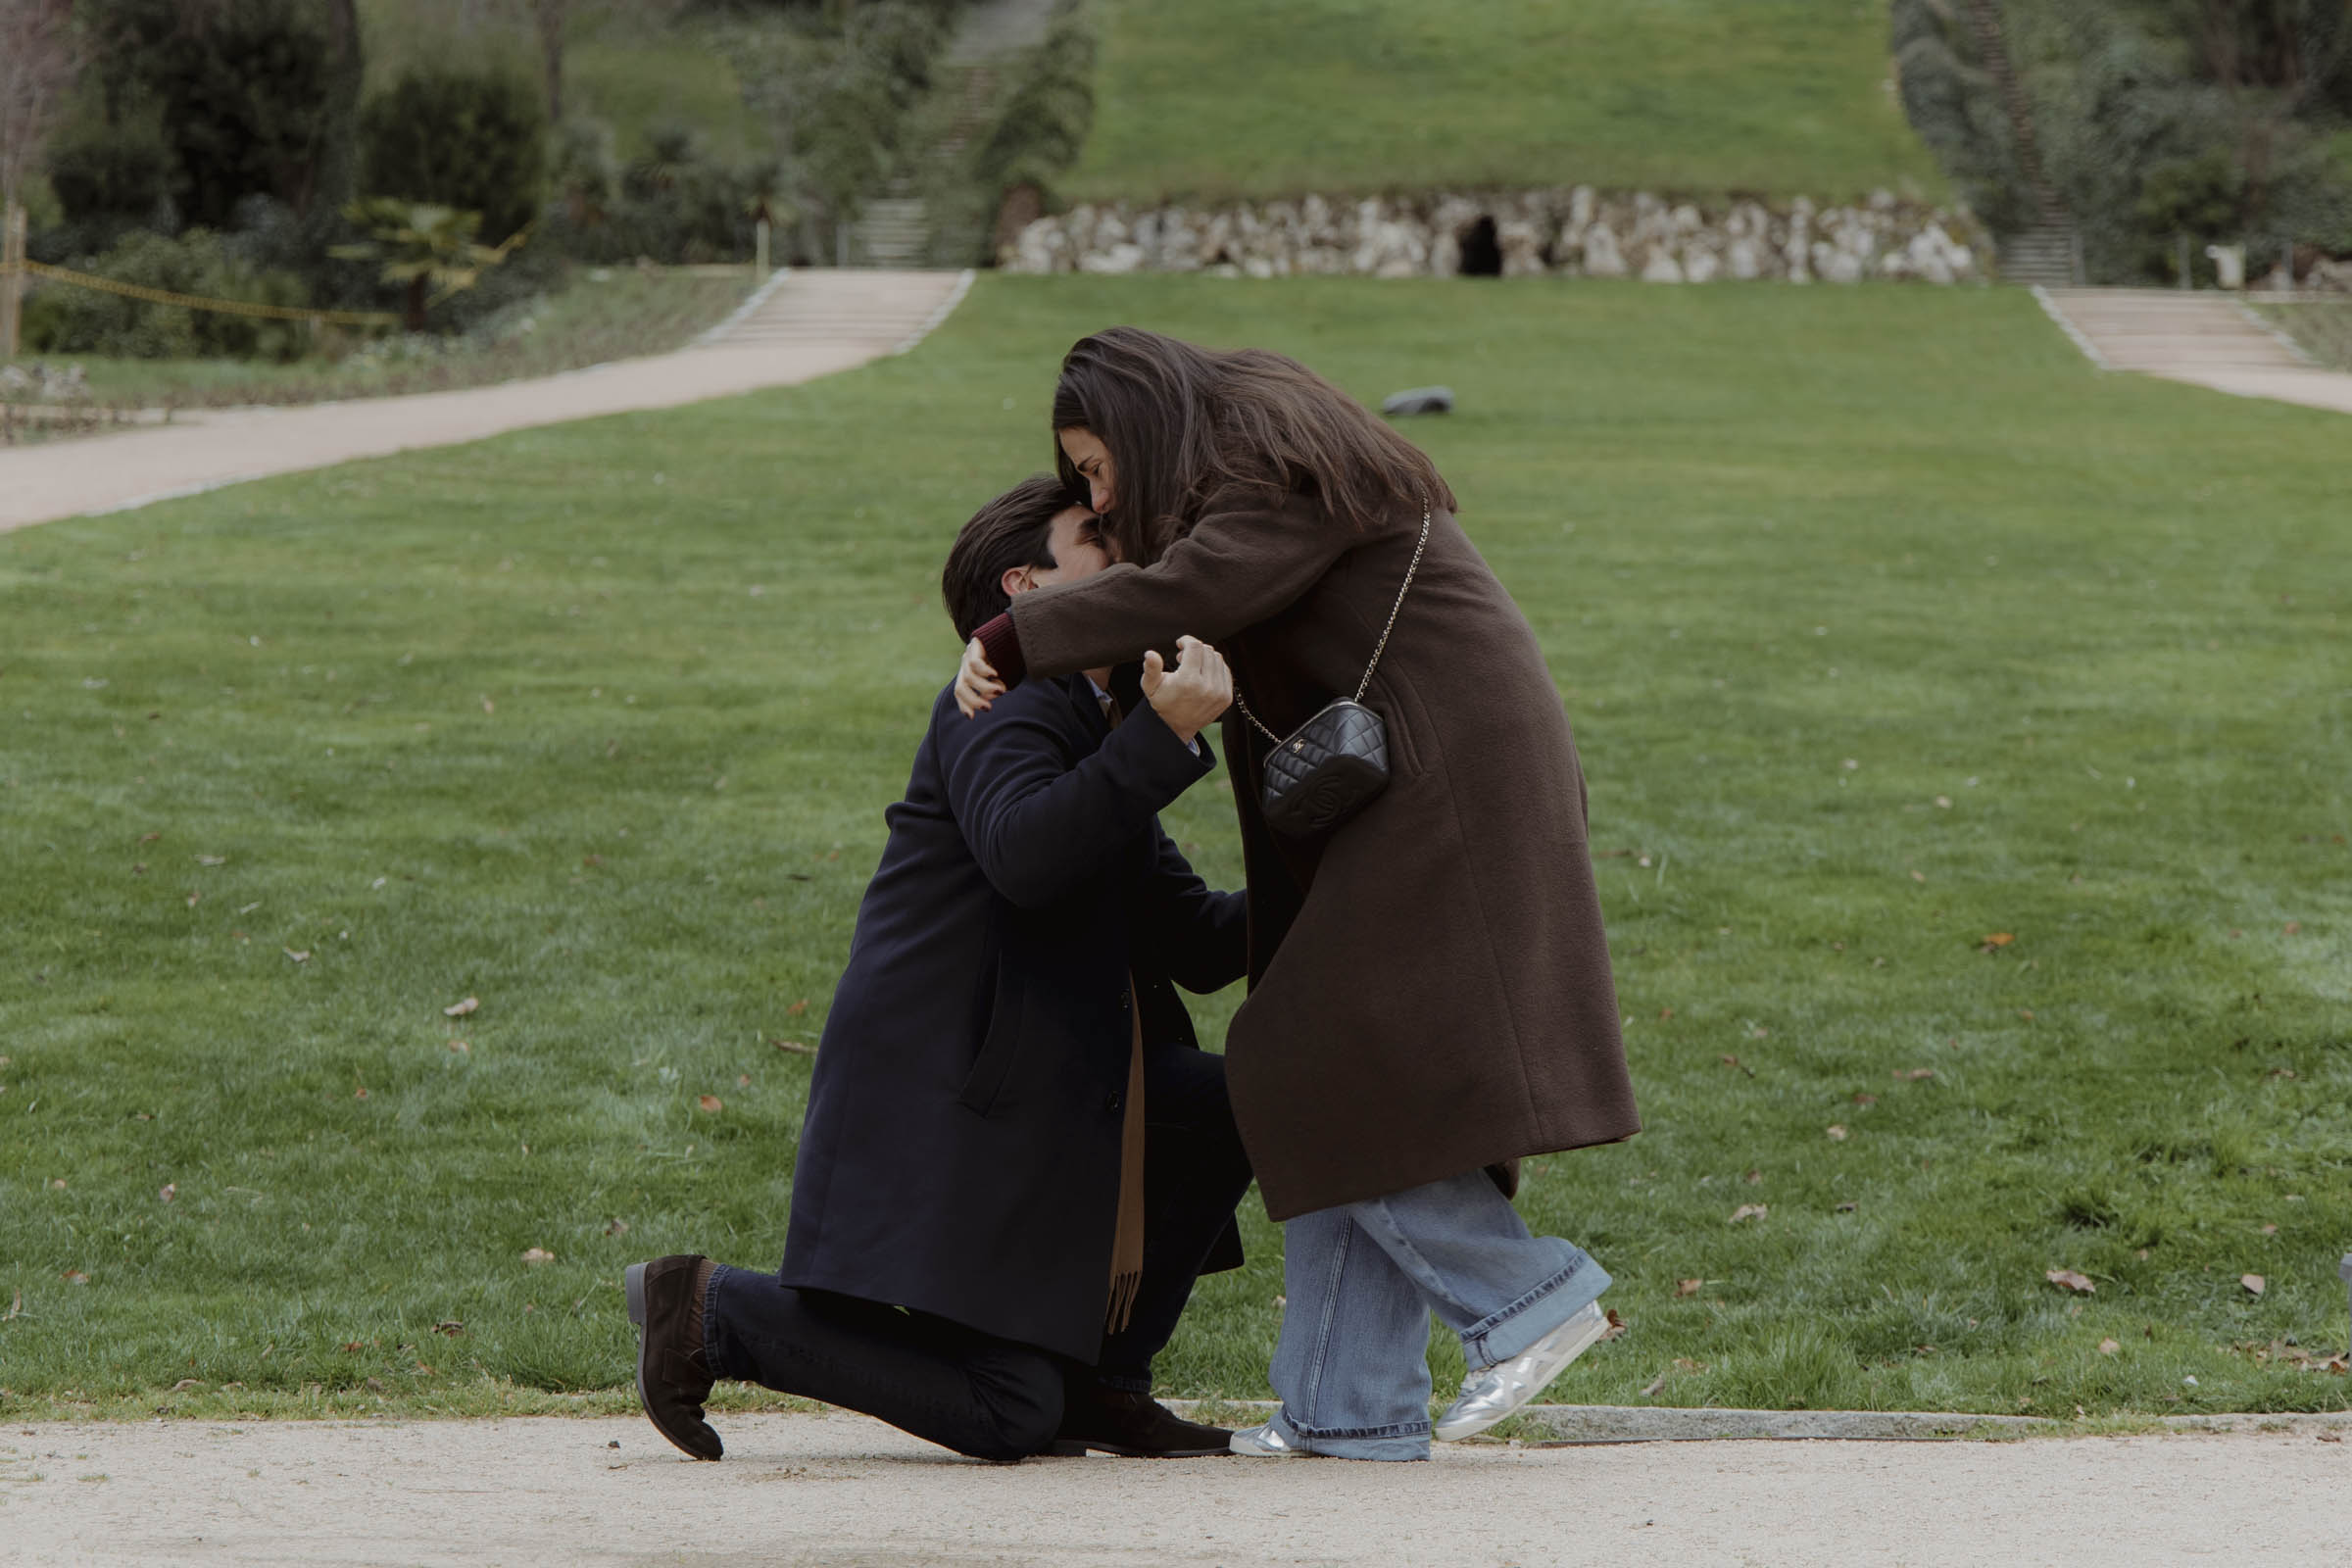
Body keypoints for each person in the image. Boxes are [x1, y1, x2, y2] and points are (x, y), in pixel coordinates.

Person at [956, 328, 1641, 1461]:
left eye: (1092, 463)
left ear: (1134, 422)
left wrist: (1011, 632)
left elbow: (1198, 586)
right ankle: (1345, 1405)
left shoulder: (1269, 455)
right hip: (1411, 775)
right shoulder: (1243, 459)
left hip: (1447, 776)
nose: (1096, 490)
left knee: (1300, 1056)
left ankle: (1528, 1299)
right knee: (1321, 1065)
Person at [627, 475, 1255, 1463]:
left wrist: (1338, 884)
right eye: (1095, 538)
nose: (1128, 555)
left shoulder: (1090, 719)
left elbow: (1197, 939)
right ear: (1026, 585)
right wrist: (1162, 735)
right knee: (1008, 1409)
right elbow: (1025, 852)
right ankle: (712, 1308)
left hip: (1043, 1082)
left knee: (1233, 1100)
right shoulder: (1001, 703)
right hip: (956, 1089)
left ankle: (1103, 1383)